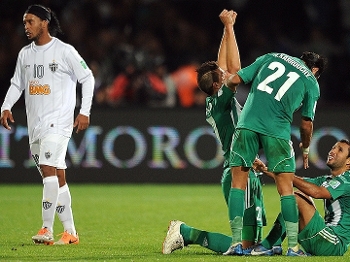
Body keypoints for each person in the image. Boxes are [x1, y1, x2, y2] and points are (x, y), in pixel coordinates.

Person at [162, 9, 273, 256]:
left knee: (253, 245)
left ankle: (186, 233)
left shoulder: (216, 97)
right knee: (246, 248)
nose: (226, 75)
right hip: (237, 169)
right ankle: (187, 232)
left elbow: (222, 66)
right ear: (216, 85)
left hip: (246, 167)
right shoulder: (222, 99)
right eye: (222, 77)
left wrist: (226, 27)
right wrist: (231, 27)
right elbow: (234, 67)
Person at [220, 34, 327, 255]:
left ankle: (235, 244)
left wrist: (225, 89)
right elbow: (306, 124)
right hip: (277, 132)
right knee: (286, 190)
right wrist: (305, 148)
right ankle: (293, 247)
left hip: (247, 125)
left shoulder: (271, 57)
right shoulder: (311, 82)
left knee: (237, 186)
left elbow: (237, 78)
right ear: (316, 71)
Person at [0, 4, 94, 245]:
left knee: (48, 169)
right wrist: (6, 106)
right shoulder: (25, 54)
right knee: (56, 176)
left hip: (59, 122)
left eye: (30, 21)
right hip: (36, 125)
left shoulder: (64, 51)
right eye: (24, 22)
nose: (26, 27)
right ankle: (71, 232)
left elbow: (87, 77)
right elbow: (17, 84)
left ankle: (46, 228)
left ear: (44, 22)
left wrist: (84, 111)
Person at [251, 139, 350, 256]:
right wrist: (264, 169)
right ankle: (272, 245)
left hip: (334, 243)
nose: (332, 151)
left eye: (340, 150)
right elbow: (298, 180)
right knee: (295, 196)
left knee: (296, 198)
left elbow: (317, 192)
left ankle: (270, 244)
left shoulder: (346, 181)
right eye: (333, 147)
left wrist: (287, 177)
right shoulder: (328, 180)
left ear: (348, 161)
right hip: (322, 238)